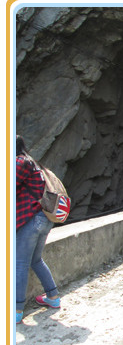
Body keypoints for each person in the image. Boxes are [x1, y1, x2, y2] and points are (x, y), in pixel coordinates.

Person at [15, 135, 60, 324]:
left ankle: (16, 310)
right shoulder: (34, 163)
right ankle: (53, 296)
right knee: (35, 260)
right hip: (44, 217)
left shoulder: (20, 162)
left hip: (31, 219)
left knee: (19, 263)